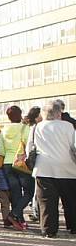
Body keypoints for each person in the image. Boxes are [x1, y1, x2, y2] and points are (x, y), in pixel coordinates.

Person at [23, 101, 76, 238]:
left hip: (44, 168)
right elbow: (74, 147)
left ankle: (49, 230)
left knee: (46, 202)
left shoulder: (37, 127)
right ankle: (73, 226)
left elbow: (30, 148)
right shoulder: (69, 126)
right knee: (71, 200)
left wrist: (31, 162)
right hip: (68, 168)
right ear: (59, 113)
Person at [0, 105, 32, 230]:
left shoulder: (4, 129)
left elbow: (1, 150)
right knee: (29, 192)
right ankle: (14, 214)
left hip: (7, 163)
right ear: (20, 114)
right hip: (21, 163)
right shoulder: (25, 128)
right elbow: (29, 146)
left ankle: (19, 220)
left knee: (16, 192)